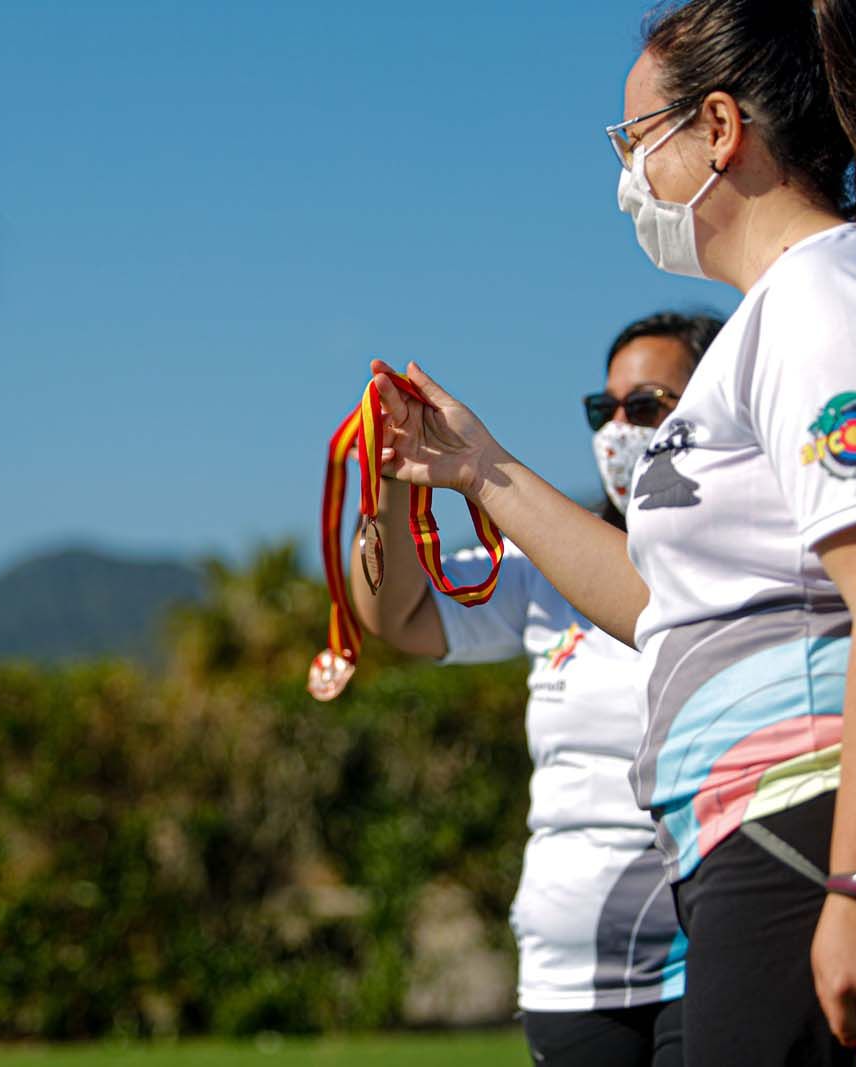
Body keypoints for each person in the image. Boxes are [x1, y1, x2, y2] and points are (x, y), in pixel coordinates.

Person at [363, 2, 856, 1064]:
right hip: (775, 821)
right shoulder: (776, 318)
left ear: (718, 129)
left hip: (822, 817)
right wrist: (477, 470)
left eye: (635, 140)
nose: (628, 175)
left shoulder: (829, 297)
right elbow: (663, 606)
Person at [351, 311, 721, 1067]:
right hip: (568, 979)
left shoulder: (741, 560)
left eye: (646, 405)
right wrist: (392, 481)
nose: (619, 428)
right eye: (603, 408)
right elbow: (399, 615)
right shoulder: (549, 565)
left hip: (707, 954)